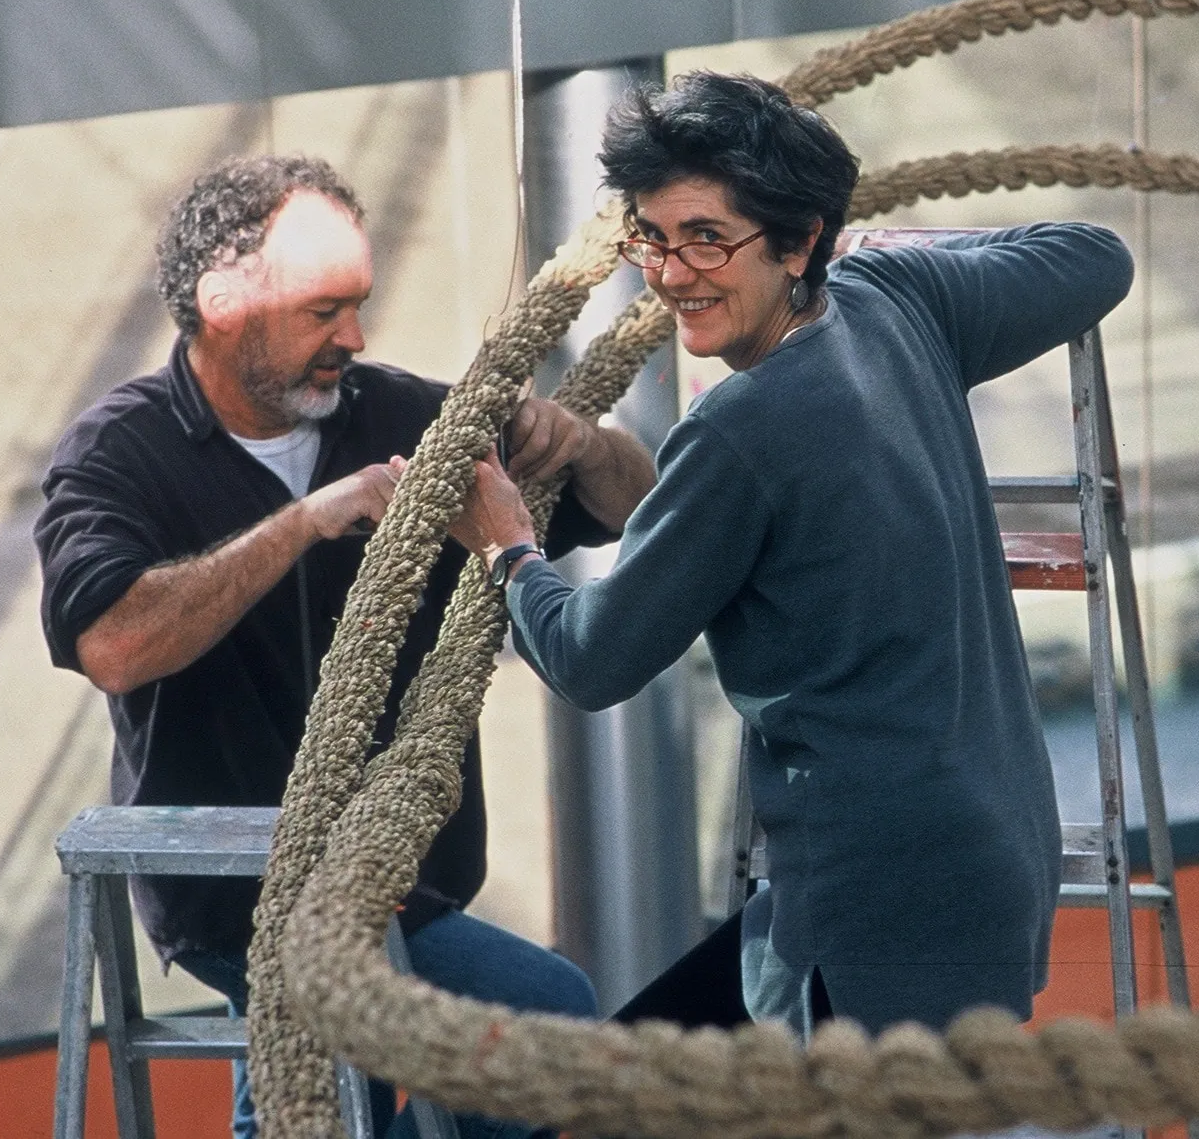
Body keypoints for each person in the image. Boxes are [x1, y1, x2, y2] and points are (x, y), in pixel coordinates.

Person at [448, 73, 1135, 1036]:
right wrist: (868, 252)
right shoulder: (899, 294)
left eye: (706, 239)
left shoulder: (740, 428)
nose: (672, 273)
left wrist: (508, 546)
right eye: (654, 236)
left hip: (874, 902)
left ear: (802, 237)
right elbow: (1093, 255)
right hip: (993, 858)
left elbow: (590, 658)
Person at [34, 155, 657, 1139]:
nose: (354, 338)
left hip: (408, 878)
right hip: (235, 896)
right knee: (322, 1077)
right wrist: (308, 521)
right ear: (225, 302)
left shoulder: (408, 413)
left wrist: (579, 441)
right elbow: (111, 642)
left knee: (552, 1021)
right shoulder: (118, 455)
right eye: (324, 311)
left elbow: (633, 503)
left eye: (357, 307)